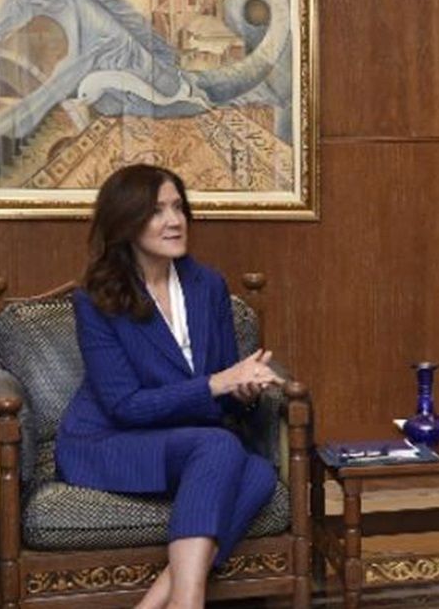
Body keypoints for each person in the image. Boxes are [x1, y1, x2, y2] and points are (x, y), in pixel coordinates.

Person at [55, 164, 285, 609]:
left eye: (178, 207)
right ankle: (188, 599)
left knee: (258, 472)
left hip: (183, 441)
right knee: (220, 447)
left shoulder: (208, 286)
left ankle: (159, 602)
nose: (175, 220)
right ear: (126, 223)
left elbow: (221, 389)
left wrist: (242, 391)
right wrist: (218, 382)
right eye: (157, 211)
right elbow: (125, 406)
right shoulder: (96, 300)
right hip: (106, 441)